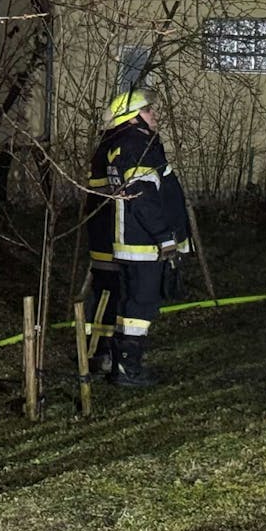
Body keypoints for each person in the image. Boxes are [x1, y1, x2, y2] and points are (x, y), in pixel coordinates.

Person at [83, 89, 190, 387]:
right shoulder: (135, 146)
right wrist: (164, 236)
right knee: (139, 304)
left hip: (128, 238)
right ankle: (127, 367)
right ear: (132, 119)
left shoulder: (123, 145)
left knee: (128, 302)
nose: (153, 114)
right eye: (147, 110)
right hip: (142, 241)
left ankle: (115, 360)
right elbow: (143, 198)